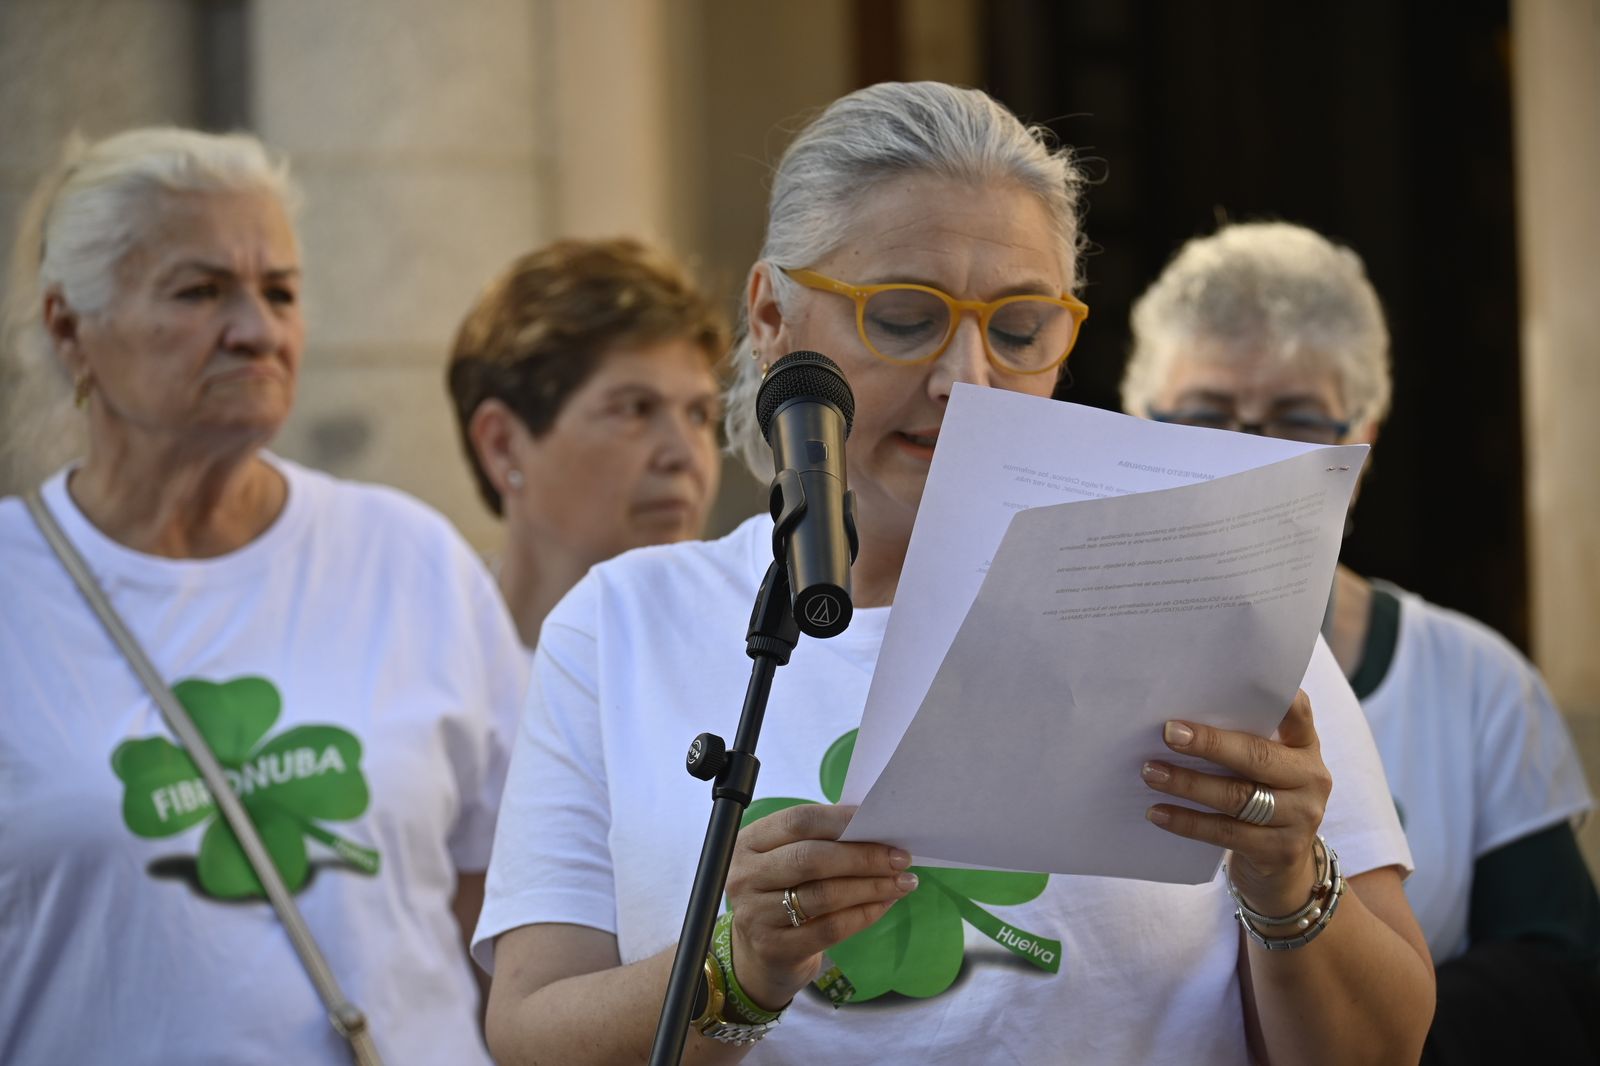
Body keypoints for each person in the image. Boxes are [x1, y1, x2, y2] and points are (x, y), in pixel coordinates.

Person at [474, 83, 1435, 1065]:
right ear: (771, 317)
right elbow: (530, 1027)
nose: (965, 377)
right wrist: (739, 965)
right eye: (901, 317)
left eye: (1019, 328)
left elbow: (1384, 1043)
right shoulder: (624, 624)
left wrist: (1288, 882)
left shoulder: (1202, 588)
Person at [0, 127, 526, 1064]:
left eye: (279, 290)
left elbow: (514, 917)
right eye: (200, 291)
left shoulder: (408, 559)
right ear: (69, 327)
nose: (257, 328)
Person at [1122, 219, 1600, 1060]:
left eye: (1297, 420)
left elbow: (1560, 974)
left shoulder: (1475, 680)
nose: (1251, 459)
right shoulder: (1080, 662)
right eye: (1205, 417)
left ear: (1363, 433)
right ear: (1140, 419)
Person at [445, 238, 727, 647]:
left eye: (700, 414)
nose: (684, 455)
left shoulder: (754, 667)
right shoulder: (420, 665)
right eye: (635, 409)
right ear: (503, 444)